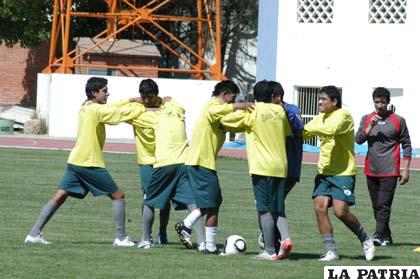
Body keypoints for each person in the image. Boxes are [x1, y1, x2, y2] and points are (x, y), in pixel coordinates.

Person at [24, 77, 148, 247]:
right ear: (94, 93)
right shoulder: (96, 110)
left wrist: (130, 100)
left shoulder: (86, 106)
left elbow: (111, 107)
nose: (108, 93)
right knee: (118, 196)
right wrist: (143, 107)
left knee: (60, 196)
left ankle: (33, 234)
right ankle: (120, 238)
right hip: (89, 163)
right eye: (104, 90)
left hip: (75, 161)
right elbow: (118, 115)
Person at [174, 80, 253, 254]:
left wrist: (253, 117)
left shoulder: (221, 111)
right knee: (214, 202)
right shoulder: (212, 105)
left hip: (202, 162)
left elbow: (233, 121)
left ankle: (193, 231)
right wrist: (241, 105)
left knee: (211, 202)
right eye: (232, 99)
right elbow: (217, 111)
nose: (232, 103)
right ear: (225, 94)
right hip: (200, 162)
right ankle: (197, 235)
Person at [221, 80, 292, 260]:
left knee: (264, 209)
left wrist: (239, 108)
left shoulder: (253, 112)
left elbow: (225, 120)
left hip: (262, 167)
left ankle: (269, 251)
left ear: (255, 96)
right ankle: (285, 238)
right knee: (278, 208)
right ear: (271, 95)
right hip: (280, 166)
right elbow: (286, 132)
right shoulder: (279, 111)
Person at [303, 85, 375, 261]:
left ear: (334, 102)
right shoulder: (320, 118)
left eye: (324, 99)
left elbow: (332, 129)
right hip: (323, 172)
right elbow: (304, 133)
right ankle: (331, 251)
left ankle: (365, 239)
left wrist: (308, 129)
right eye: (319, 98)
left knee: (340, 212)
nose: (319, 102)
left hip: (343, 172)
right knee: (320, 208)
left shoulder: (343, 115)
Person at [128, 96, 205, 250]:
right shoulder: (176, 111)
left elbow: (124, 113)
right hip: (181, 161)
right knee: (191, 203)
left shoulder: (151, 116)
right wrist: (164, 101)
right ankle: (203, 243)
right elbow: (174, 103)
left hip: (161, 162)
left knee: (149, 199)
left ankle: (147, 239)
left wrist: (134, 101)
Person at [355, 87, 411, 246]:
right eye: (376, 102)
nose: (379, 105)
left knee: (383, 205)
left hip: (390, 170)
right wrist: (369, 127)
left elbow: (407, 145)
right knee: (376, 206)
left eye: (382, 102)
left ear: (388, 102)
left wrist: (405, 169)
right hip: (371, 169)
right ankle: (387, 236)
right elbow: (358, 139)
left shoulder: (398, 120)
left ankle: (378, 235)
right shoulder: (366, 118)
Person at [257, 81, 304, 252]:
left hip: (287, 168)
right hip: (279, 167)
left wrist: (286, 114)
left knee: (268, 206)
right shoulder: (269, 112)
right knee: (273, 205)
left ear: (277, 97)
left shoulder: (290, 110)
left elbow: (299, 128)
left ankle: (272, 242)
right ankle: (276, 241)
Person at [131, 79, 171, 244]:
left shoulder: (165, 107)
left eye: (151, 97)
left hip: (164, 159)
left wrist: (163, 103)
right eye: (144, 97)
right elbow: (116, 108)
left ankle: (162, 233)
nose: (147, 101)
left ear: (157, 95)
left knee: (165, 198)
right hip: (146, 161)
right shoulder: (136, 108)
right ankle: (146, 236)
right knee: (148, 197)